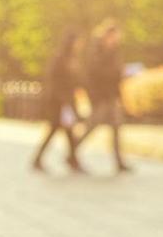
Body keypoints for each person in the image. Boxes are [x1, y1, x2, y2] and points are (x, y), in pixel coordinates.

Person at [77, 20, 132, 173]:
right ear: (106, 35)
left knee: (116, 128)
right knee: (92, 126)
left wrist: (120, 97)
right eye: (113, 36)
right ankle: (72, 150)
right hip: (100, 97)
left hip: (111, 96)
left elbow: (116, 77)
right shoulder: (96, 51)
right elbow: (93, 75)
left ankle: (119, 162)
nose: (115, 40)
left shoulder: (115, 52)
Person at [32, 32, 84, 173]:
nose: (80, 45)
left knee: (68, 131)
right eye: (78, 42)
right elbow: (54, 81)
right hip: (59, 102)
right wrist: (63, 100)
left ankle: (72, 160)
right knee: (57, 129)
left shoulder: (71, 58)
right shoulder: (60, 59)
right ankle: (70, 161)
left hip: (66, 101)